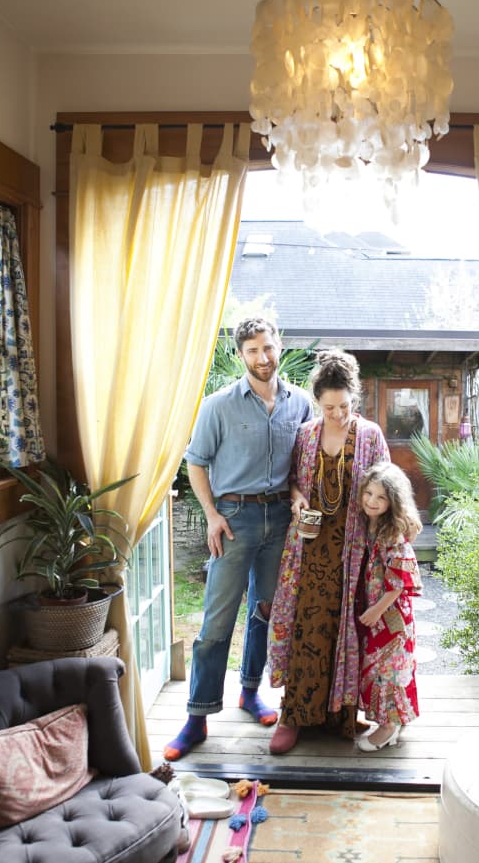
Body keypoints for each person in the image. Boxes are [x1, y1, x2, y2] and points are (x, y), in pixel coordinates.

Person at [163, 317, 313, 761]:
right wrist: (211, 515)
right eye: (252, 351)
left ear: (279, 346)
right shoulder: (218, 405)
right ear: (240, 355)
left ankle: (251, 693)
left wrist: (298, 494)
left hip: (281, 520)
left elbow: (300, 464)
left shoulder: (300, 404)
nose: (262, 358)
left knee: (266, 612)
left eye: (268, 348)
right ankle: (197, 717)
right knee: (215, 622)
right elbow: (195, 463)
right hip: (233, 519)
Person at [267, 349, 390, 754]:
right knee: (306, 626)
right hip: (309, 549)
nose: (337, 414)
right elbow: (291, 481)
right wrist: (298, 497)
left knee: (347, 628)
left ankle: (342, 714)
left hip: (354, 552)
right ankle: (294, 714)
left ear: (355, 398)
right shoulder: (305, 434)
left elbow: (388, 487)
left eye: (344, 405)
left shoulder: (370, 435)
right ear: (316, 401)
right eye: (328, 406)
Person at [355, 461, 423, 751]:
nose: (372, 501)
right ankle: (394, 718)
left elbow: (400, 580)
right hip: (380, 613)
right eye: (368, 493)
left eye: (380, 497)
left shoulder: (392, 533)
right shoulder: (371, 525)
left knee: (391, 670)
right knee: (381, 667)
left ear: (392, 502)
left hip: (391, 616)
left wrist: (376, 610)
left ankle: (389, 726)